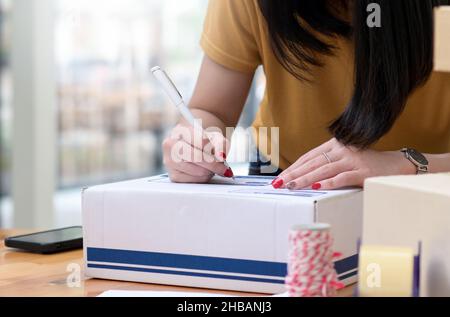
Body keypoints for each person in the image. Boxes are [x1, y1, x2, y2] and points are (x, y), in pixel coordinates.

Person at [162, 0, 450, 190]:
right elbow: (212, 111)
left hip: (432, 181)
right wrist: (193, 144)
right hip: (284, 180)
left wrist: (403, 165)